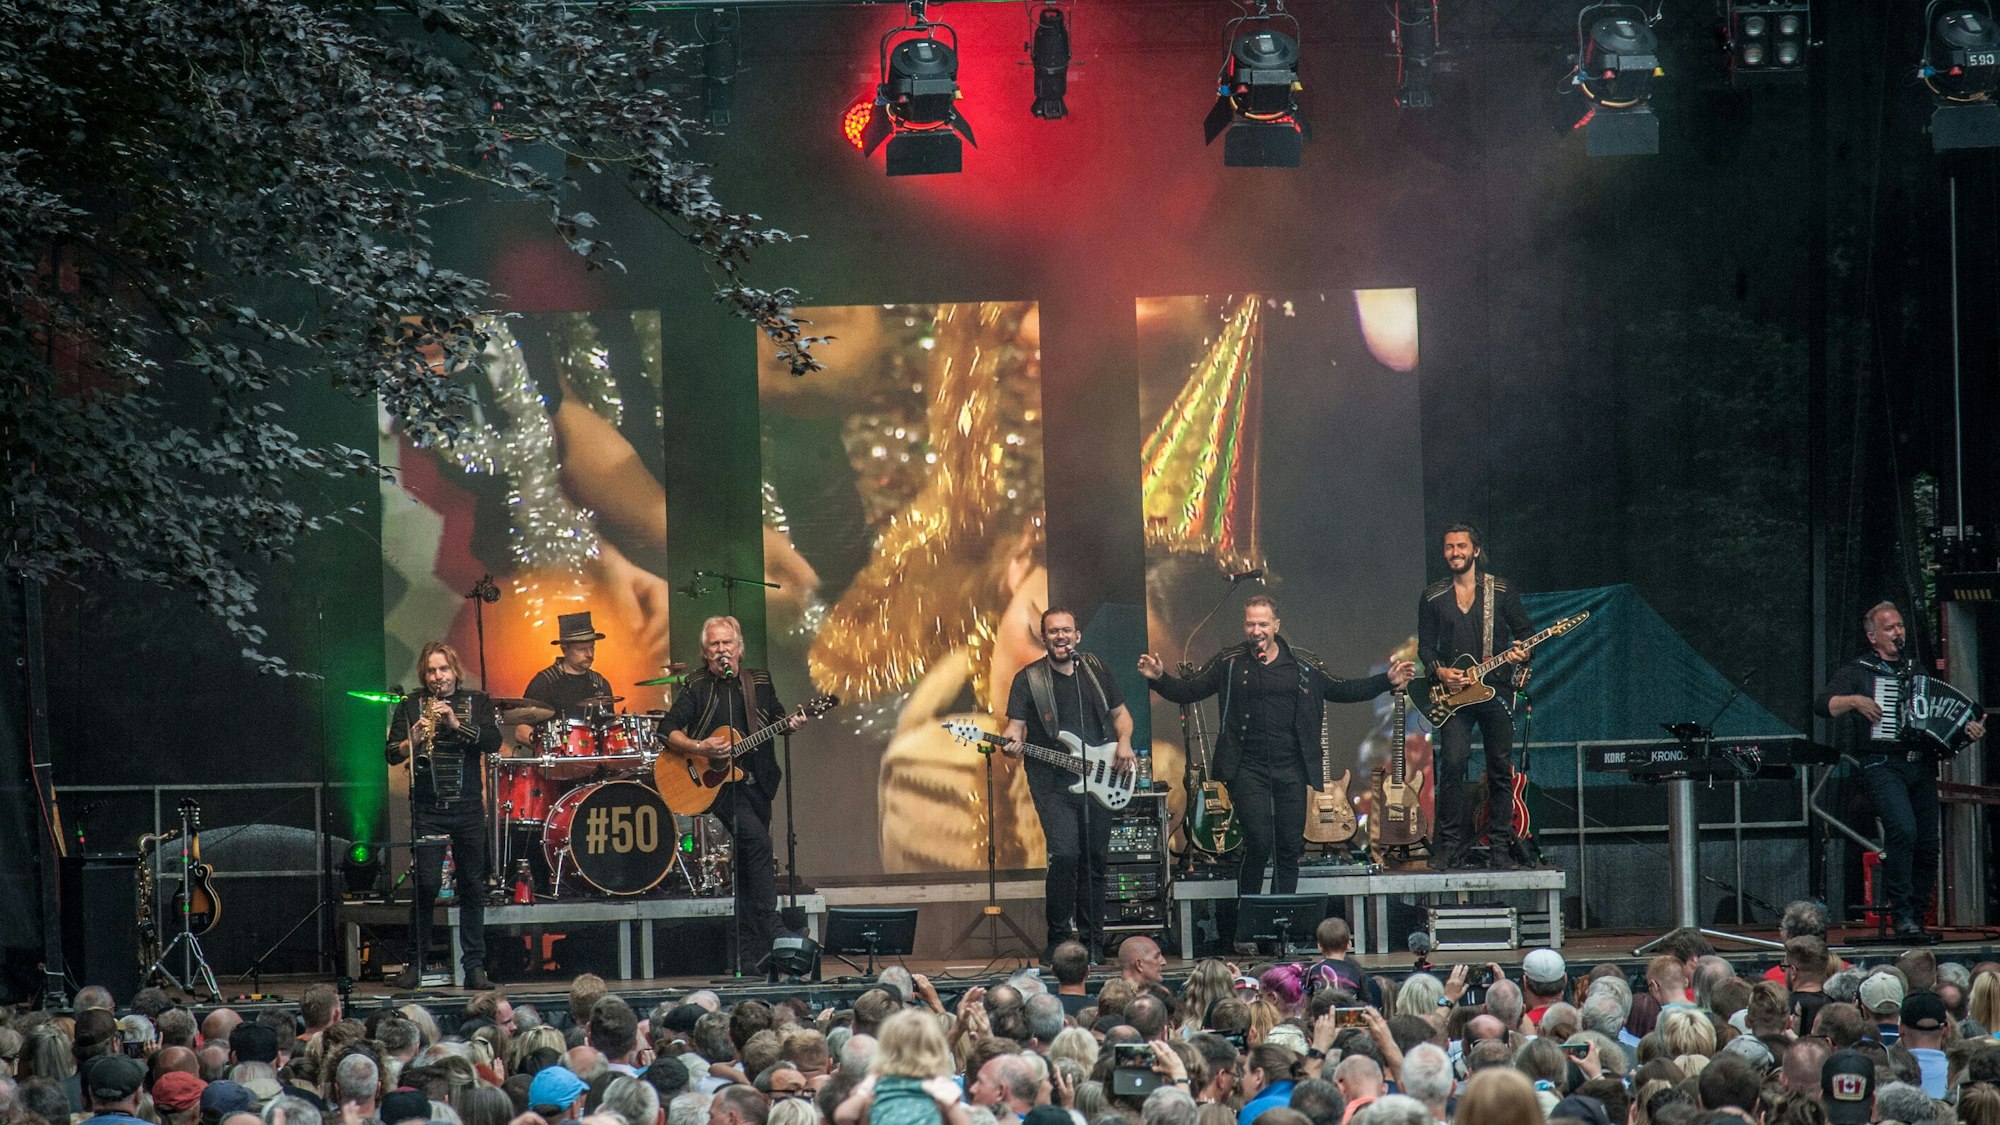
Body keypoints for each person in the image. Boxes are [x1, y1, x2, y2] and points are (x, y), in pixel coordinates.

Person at [1140, 596, 1413, 907]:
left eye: (1263, 624)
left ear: (1276, 626)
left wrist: (1385, 680)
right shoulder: (1229, 662)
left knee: (1288, 847)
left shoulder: (1302, 665)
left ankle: (1281, 916)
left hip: (1292, 768)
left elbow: (1342, 689)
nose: (1256, 630)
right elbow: (1191, 690)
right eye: (1250, 624)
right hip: (1247, 768)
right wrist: (1160, 678)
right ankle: (1250, 917)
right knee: (1258, 841)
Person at [1815, 601, 1986, 940]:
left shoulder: (1917, 670)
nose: (1898, 632)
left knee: (1927, 843)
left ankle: (1917, 916)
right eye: (1890, 628)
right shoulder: (1858, 671)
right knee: (1902, 832)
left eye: (1900, 626)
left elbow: (1941, 717)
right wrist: (1855, 701)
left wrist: (1967, 730)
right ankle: (1902, 914)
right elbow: (1823, 705)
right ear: (1872, 636)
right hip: (1882, 762)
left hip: (1920, 764)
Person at [660, 615, 803, 969]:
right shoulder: (696, 685)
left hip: (759, 781)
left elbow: (778, 716)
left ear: (739, 648)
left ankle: (749, 956)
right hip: (719, 786)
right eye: (714, 645)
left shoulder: (759, 681)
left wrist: (791, 724)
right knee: (757, 844)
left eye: (727, 643)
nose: (721, 650)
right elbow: (667, 731)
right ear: (704, 652)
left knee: (746, 866)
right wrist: (700, 747)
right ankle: (774, 928)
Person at [1001, 607, 1137, 962]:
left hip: (1098, 776)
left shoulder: (1094, 670)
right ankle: (1059, 939)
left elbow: (1121, 716)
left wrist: (1124, 743)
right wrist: (1010, 744)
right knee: (1065, 855)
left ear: (1077, 636)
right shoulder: (1029, 679)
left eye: (1066, 631)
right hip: (1052, 781)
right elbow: (1014, 728)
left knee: (1095, 859)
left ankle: (1093, 941)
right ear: (1044, 638)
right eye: (1053, 632)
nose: (1060, 637)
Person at [1415, 524, 1533, 871]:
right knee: (1451, 764)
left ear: (1475, 551)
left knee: (1499, 770)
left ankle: (1499, 846)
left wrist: (1521, 653)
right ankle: (1447, 847)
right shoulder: (1433, 596)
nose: (1455, 552)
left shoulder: (1501, 590)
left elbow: (1525, 635)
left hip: (1496, 690)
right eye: (1449, 547)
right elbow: (1425, 645)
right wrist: (1439, 670)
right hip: (1455, 696)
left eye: (1461, 546)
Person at [386, 640, 502, 990]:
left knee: (471, 885)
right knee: (425, 885)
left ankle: (475, 966)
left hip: (467, 806)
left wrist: (455, 723)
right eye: (432, 671)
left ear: (455, 671)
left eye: (444, 669)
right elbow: (392, 754)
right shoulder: (410, 704)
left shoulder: (477, 701)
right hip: (428, 807)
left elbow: (492, 742)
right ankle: (415, 964)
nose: (438, 676)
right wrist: (413, 740)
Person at [517, 612, 619, 743]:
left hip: (594, 761)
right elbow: (521, 731)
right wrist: (547, 747)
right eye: (582, 649)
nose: (589, 654)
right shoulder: (544, 682)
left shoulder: (600, 683)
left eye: (592, 648)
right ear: (564, 649)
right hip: (556, 760)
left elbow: (609, 729)